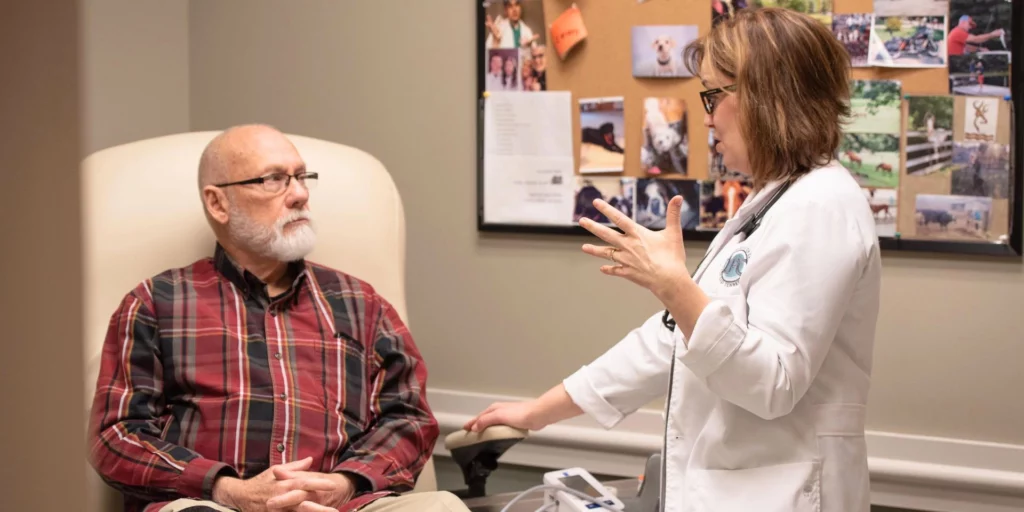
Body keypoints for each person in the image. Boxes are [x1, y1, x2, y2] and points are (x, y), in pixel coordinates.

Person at [465, 8, 882, 512]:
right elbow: (668, 342)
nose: (705, 116)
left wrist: (675, 288)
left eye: (713, 95)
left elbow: (774, 381)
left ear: (766, 96)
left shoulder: (822, 205)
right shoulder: (772, 202)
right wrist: (541, 410)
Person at [87, 125, 467, 512]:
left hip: (342, 506)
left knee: (442, 507)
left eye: (301, 177)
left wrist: (344, 482)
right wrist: (225, 488)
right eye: (274, 180)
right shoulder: (155, 304)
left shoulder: (362, 304)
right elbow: (117, 436)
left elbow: (409, 419)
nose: (300, 194)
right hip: (211, 504)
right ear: (218, 203)